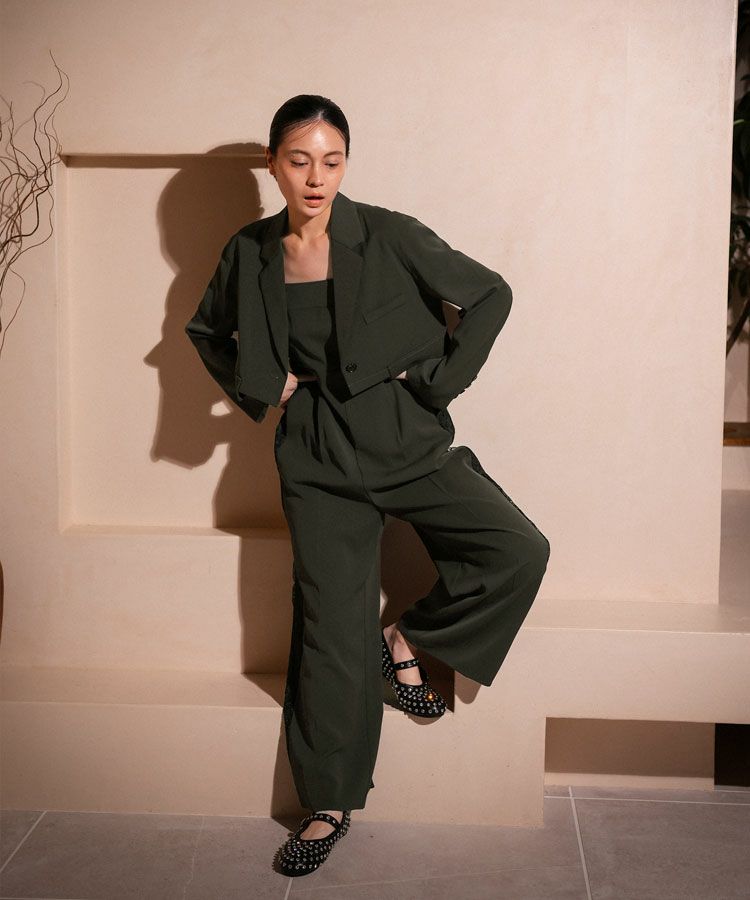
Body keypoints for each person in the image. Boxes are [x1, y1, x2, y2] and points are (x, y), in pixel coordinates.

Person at [184, 94, 551, 878]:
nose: (316, 177)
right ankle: (328, 803)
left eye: (332, 160)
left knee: (517, 548)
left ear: (346, 164)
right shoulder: (249, 252)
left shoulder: (388, 234)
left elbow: (490, 294)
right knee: (329, 626)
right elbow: (206, 331)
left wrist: (437, 383)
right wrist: (264, 388)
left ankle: (409, 641)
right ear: (273, 165)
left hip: (404, 439)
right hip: (316, 458)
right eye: (299, 160)